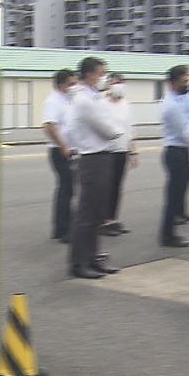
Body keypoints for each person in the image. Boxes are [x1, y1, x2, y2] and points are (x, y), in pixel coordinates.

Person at [66, 56, 122, 279]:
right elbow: (107, 128)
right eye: (101, 73)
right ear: (89, 74)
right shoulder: (84, 100)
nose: (104, 78)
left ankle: (94, 257)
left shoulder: (94, 97)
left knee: (97, 213)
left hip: (101, 156)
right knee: (87, 214)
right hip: (92, 158)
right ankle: (79, 263)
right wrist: (117, 131)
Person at [158, 64, 189, 248]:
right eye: (184, 80)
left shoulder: (184, 98)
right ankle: (167, 235)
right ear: (173, 82)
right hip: (176, 151)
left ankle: (170, 231)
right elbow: (186, 132)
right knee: (174, 196)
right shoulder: (171, 105)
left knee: (177, 195)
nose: (187, 83)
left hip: (182, 151)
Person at [40, 69, 76, 243]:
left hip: (69, 149)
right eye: (70, 84)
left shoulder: (66, 100)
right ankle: (63, 230)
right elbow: (48, 126)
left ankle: (64, 227)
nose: (73, 87)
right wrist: (63, 146)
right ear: (60, 84)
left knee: (68, 190)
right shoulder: (53, 101)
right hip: (61, 151)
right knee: (65, 189)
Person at [102, 73, 136, 236]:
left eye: (121, 83)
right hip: (107, 150)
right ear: (108, 84)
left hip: (122, 150)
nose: (118, 86)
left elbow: (129, 129)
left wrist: (133, 151)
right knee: (106, 187)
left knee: (117, 186)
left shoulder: (125, 104)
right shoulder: (102, 102)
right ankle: (103, 221)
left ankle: (113, 219)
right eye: (115, 83)